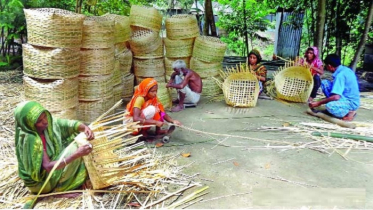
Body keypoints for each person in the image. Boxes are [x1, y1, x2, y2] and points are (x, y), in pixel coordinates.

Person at [14, 101, 95, 208]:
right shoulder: (32, 139)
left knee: (76, 136)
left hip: (48, 171)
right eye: (39, 121)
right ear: (29, 123)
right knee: (75, 147)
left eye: (45, 116)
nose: (45, 122)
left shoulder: (47, 124)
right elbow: (48, 167)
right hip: (42, 183)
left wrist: (84, 128)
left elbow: (66, 124)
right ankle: (59, 190)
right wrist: (76, 154)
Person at [309, 54, 360, 121]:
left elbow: (336, 96)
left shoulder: (340, 76)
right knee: (325, 83)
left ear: (329, 66)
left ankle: (349, 112)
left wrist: (319, 103)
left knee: (330, 106)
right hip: (346, 97)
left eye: (326, 66)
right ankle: (336, 105)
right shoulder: (346, 70)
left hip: (350, 102)